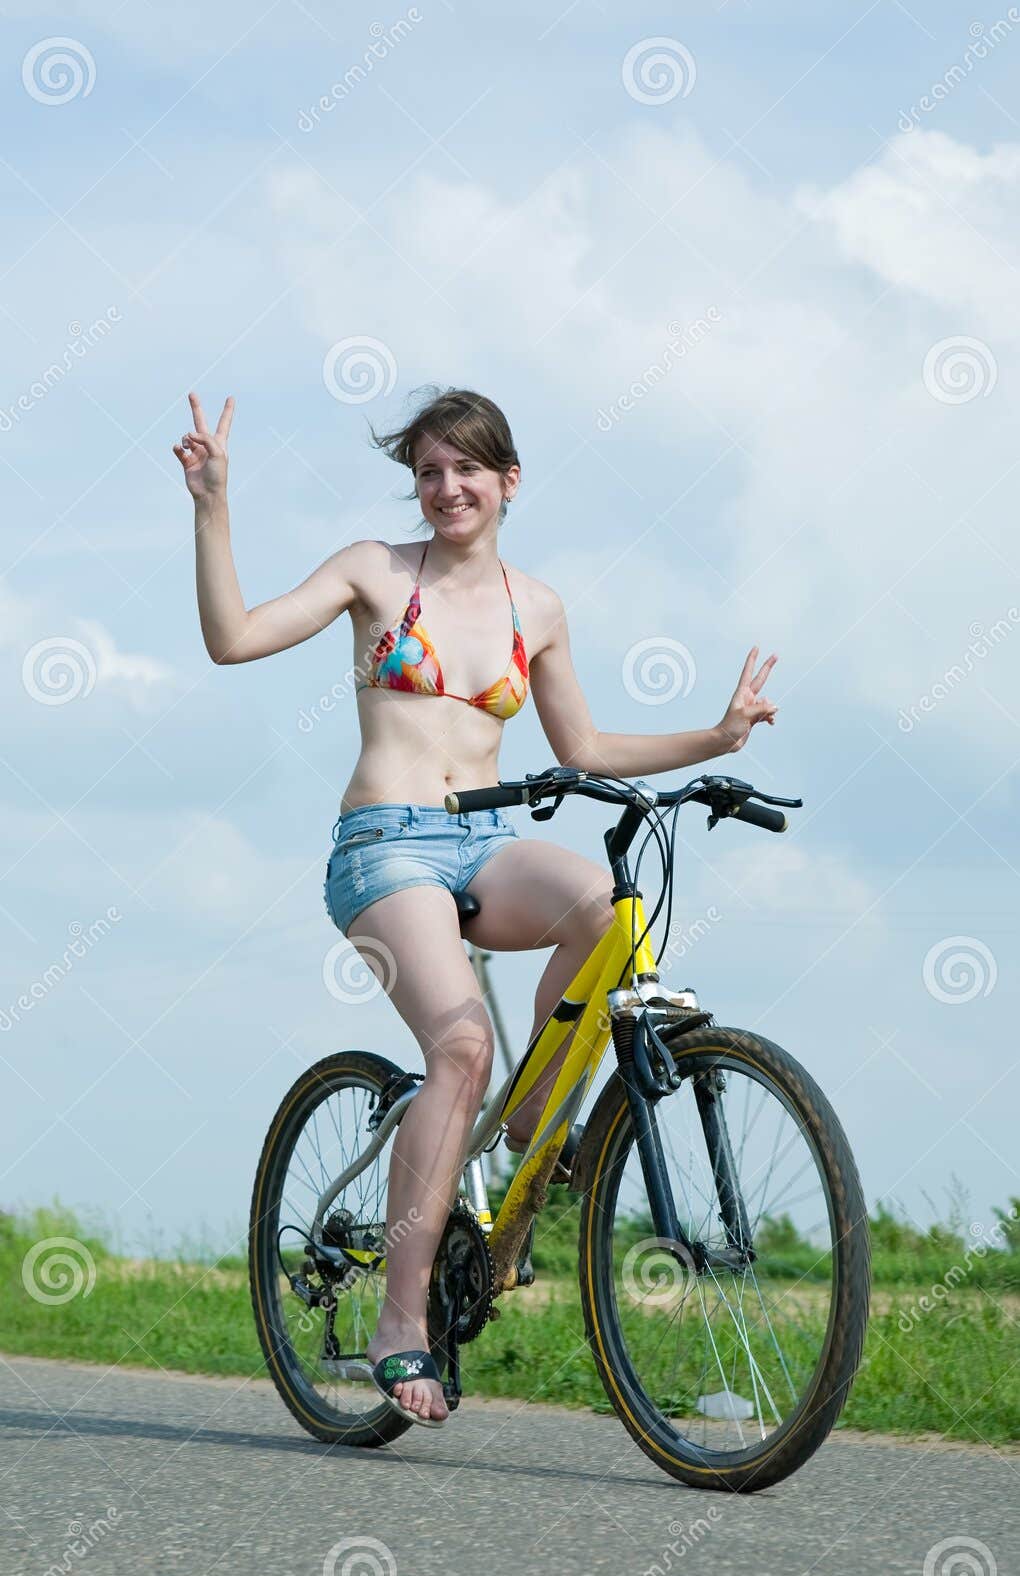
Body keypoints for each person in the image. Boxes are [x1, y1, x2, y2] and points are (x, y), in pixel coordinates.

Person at [176, 385, 778, 1427]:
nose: (447, 488)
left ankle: (529, 1135)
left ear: (508, 480)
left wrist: (715, 739)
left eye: (467, 468)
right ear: (417, 486)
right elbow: (232, 639)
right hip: (383, 848)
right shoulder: (376, 571)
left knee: (605, 904)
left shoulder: (535, 605)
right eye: (429, 471)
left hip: (484, 844)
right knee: (459, 1044)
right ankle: (399, 1322)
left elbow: (583, 749)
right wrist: (213, 506)